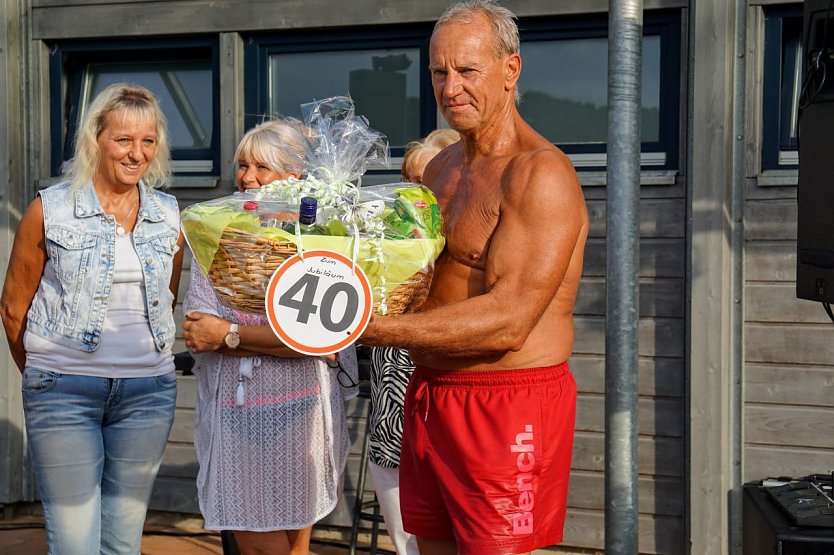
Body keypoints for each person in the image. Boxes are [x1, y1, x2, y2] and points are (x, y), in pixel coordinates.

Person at [360, 1, 589, 554]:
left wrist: (365, 327)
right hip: (432, 393)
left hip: (507, 400)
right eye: (439, 72)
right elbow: (415, 279)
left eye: (467, 69)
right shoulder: (441, 169)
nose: (450, 86)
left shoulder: (540, 173)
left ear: (511, 70)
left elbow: (508, 319)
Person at [0, 83, 184, 555]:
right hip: (63, 391)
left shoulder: (167, 214)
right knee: (76, 544)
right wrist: (48, 372)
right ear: (96, 139)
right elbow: (12, 306)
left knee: (122, 543)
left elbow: (166, 296)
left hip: (148, 393)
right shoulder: (50, 208)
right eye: (123, 139)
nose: (136, 152)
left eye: (147, 141)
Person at [181, 119, 358, 555]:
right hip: (239, 412)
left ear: (295, 177)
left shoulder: (319, 243)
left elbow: (319, 338)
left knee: (289, 544)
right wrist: (234, 335)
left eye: (263, 167)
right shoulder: (219, 236)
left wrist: (232, 334)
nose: (247, 178)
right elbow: (199, 329)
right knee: (264, 542)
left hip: (302, 413)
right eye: (243, 165)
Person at [368, 127, 460, 555]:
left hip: (449, 420)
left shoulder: (467, 256)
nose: (412, 195)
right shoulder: (387, 249)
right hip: (391, 425)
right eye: (407, 181)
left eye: (425, 182)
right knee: (407, 545)